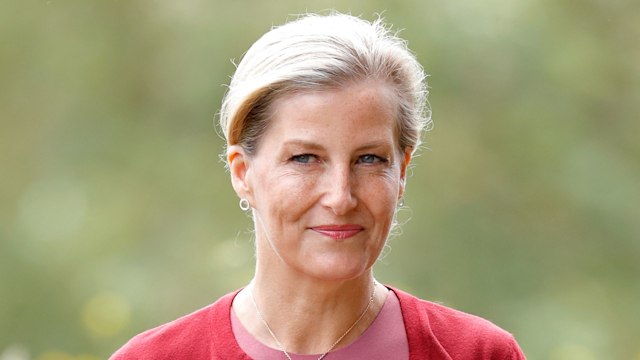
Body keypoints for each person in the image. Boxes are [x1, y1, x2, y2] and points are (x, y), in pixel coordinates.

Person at [111, 12, 526, 360]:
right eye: (305, 159)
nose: (340, 197)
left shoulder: (478, 353)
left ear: (402, 171)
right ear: (242, 172)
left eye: (369, 159)